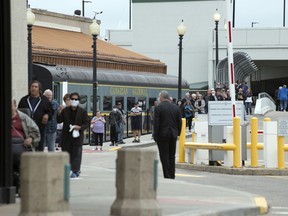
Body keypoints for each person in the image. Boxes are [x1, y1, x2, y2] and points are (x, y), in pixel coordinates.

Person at [11, 100, 41, 194]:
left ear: (15, 105)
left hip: (22, 145)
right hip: (7, 147)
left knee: (24, 164)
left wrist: (31, 139)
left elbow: (36, 132)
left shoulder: (23, 118)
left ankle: (22, 188)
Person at [57, 92, 88, 178]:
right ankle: (67, 169)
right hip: (66, 136)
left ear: (78, 101)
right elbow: (59, 120)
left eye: (76, 99)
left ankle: (75, 170)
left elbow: (86, 124)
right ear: (70, 100)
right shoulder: (65, 110)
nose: (74, 101)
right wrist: (59, 112)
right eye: (73, 99)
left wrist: (80, 127)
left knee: (76, 154)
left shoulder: (83, 112)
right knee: (66, 153)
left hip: (77, 136)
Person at [18, 80, 54, 151]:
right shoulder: (24, 100)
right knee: (26, 150)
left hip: (39, 129)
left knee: (39, 150)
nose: (33, 88)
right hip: (26, 129)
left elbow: (51, 112)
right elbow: (19, 113)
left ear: (39, 89)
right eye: (32, 87)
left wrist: (47, 115)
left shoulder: (44, 100)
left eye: (36, 87)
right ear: (29, 88)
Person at [154, 91, 182, 179]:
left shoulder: (158, 108)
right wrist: (178, 133)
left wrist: (155, 136)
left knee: (164, 155)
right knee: (171, 155)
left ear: (161, 97)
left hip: (162, 135)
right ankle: (172, 174)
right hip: (173, 134)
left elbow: (156, 124)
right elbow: (180, 123)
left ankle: (167, 175)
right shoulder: (176, 108)